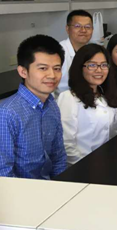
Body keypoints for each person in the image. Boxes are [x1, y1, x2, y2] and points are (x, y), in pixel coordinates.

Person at [0, 35, 67, 179]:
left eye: (57, 68)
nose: (52, 75)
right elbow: (3, 174)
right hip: (19, 190)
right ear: (23, 72)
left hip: (50, 186)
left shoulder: (52, 106)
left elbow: (58, 157)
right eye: (43, 68)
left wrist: (62, 185)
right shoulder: (6, 113)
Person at [57, 44, 117, 165]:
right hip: (80, 167)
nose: (99, 70)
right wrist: (87, 167)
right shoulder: (69, 98)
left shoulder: (106, 96)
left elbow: (113, 133)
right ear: (80, 68)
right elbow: (66, 144)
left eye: (104, 65)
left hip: (106, 162)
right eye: (92, 65)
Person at [58, 10, 93, 93]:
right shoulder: (58, 51)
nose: (83, 30)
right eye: (77, 26)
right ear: (67, 29)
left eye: (88, 27)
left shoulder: (93, 51)